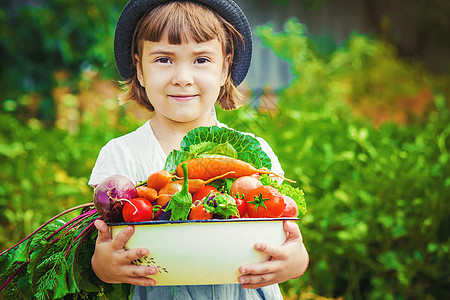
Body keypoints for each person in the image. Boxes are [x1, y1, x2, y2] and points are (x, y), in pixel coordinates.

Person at [89, 0, 309, 298]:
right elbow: (101, 248)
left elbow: (289, 240)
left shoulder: (255, 151)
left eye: (201, 60)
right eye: (164, 59)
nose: (182, 77)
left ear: (224, 69)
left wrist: (294, 261)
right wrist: (105, 265)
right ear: (139, 69)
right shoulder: (121, 155)